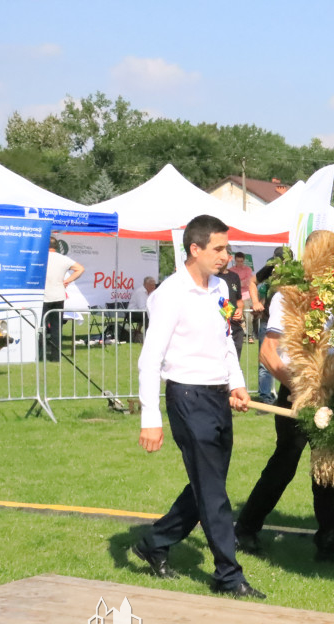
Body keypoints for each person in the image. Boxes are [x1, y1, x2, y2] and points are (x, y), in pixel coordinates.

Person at [131, 215, 262, 599]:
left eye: (227, 248)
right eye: (218, 249)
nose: (226, 256)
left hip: (218, 394)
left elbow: (225, 341)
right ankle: (228, 576)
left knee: (209, 485)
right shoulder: (170, 294)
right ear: (195, 249)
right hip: (186, 396)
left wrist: (236, 382)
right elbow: (149, 359)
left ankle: (156, 541)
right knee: (215, 493)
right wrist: (150, 418)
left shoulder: (221, 287)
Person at [233, 281, 334, 565]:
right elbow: (268, 354)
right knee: (285, 463)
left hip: (327, 392)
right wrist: (300, 386)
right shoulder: (288, 296)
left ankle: (330, 544)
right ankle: (245, 529)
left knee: (327, 468)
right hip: (295, 391)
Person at [252, 246, 286, 404]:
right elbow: (252, 282)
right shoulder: (268, 269)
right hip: (268, 320)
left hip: (287, 323)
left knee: (289, 361)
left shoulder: (294, 272)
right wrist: (255, 302)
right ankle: (265, 398)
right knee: (266, 360)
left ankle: (285, 395)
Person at [42, 236, 85, 361]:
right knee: (56, 328)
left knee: (40, 326)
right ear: (56, 246)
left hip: (44, 296)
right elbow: (80, 269)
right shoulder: (63, 259)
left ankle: (40, 354)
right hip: (58, 296)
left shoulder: (41, 257)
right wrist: (67, 281)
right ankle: (55, 357)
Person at [229, 252, 263, 342]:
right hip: (235, 297)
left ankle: (250, 335)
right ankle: (239, 335)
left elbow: (247, 282)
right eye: (238, 261)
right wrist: (240, 283)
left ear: (244, 261)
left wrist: (238, 283)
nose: (239, 263)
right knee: (236, 317)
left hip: (246, 296)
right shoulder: (231, 270)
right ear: (234, 260)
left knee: (248, 316)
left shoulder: (248, 269)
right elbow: (232, 283)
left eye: (241, 261)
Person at [218, 255, 246, 359]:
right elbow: (216, 300)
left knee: (235, 360)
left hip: (235, 327)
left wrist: (240, 309)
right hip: (220, 327)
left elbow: (239, 300)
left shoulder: (234, 276)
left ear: (229, 258)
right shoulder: (213, 277)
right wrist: (229, 313)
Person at [128, 276, 156, 343]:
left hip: (142, 312)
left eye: (154, 284)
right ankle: (148, 338)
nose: (154, 286)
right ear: (146, 285)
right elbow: (143, 308)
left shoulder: (152, 292)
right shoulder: (140, 292)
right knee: (148, 316)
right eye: (152, 285)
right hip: (133, 313)